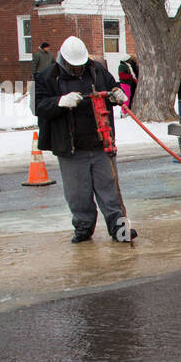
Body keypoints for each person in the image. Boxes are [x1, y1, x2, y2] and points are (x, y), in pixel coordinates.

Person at [33, 35, 136, 243]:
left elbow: (112, 85)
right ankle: (83, 227)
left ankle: (119, 229)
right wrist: (60, 101)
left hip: (101, 143)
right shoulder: (46, 77)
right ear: (64, 60)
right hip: (71, 147)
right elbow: (38, 106)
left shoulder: (96, 70)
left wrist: (117, 93)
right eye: (74, 66)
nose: (78, 69)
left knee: (109, 189)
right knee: (78, 193)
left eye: (81, 65)